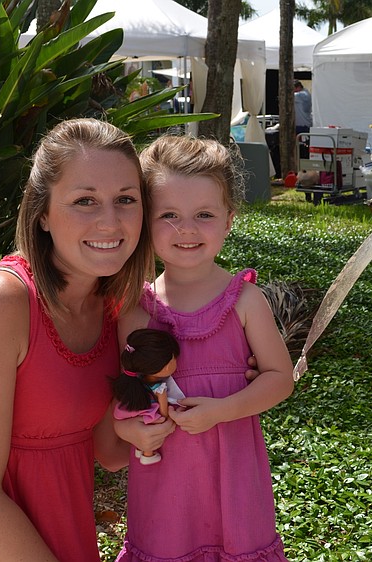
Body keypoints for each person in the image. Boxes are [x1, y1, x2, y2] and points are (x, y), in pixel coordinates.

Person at [0, 118, 168, 561]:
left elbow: (108, 453)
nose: (110, 221)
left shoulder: (113, 307)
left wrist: (207, 380)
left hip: (54, 531)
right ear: (42, 214)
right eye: (85, 201)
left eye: (126, 199)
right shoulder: (1, 302)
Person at [114, 134, 295, 561]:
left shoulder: (245, 301)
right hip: (164, 486)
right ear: (145, 221)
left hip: (233, 476)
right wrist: (129, 429)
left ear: (229, 220)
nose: (187, 229)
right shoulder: (136, 311)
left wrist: (221, 411)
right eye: (169, 215)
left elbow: (279, 378)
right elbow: (122, 395)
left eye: (204, 214)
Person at [112, 328, 183, 464]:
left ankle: (140, 449)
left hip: (136, 411)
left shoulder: (138, 380)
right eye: (174, 358)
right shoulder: (160, 388)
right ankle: (147, 455)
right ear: (166, 366)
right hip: (150, 413)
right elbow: (163, 407)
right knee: (152, 427)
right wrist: (165, 418)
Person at [294, 79, 312, 158]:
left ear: (297, 87)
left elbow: (287, 96)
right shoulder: (306, 93)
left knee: (300, 147)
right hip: (305, 124)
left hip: (301, 125)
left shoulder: (300, 95)